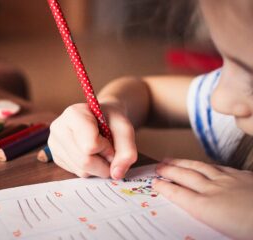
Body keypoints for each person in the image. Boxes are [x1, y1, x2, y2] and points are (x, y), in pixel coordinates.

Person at [47, 0, 253, 239]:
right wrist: (113, 107)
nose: (218, 99)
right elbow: (146, 92)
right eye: (223, 61)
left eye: (251, 79)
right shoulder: (233, 108)